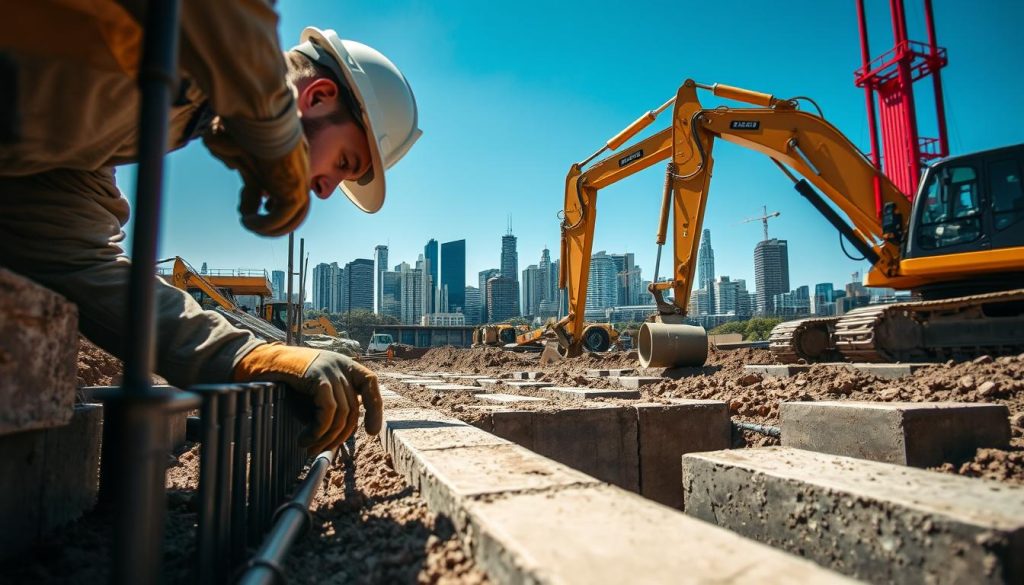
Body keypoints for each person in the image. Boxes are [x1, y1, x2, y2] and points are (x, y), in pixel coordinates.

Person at [0, 2, 421, 453]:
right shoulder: (174, 35)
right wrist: (272, 127)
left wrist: (246, 354)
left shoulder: (127, 132)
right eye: (343, 162)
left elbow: (80, 262)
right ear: (316, 97)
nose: (323, 191)